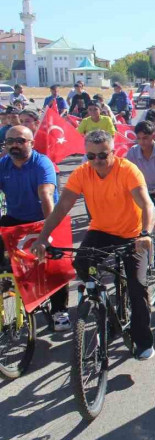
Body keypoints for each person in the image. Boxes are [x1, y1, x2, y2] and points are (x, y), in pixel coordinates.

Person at [31, 130, 155, 359]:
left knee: (137, 288)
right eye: (91, 156)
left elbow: (147, 205)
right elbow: (62, 208)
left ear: (113, 152)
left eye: (102, 155)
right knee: (80, 263)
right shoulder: (82, 173)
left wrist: (146, 234)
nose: (96, 161)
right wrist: (43, 238)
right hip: (101, 230)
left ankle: (144, 341)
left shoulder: (127, 170)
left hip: (132, 234)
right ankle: (102, 305)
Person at [0, 126, 67, 330]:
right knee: (4, 263)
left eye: (20, 141)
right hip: (16, 218)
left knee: (53, 264)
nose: (14, 145)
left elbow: (46, 196)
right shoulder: (4, 164)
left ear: (31, 143)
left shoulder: (42, 163)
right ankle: (8, 296)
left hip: (45, 218)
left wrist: (47, 235)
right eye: (10, 141)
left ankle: (59, 312)